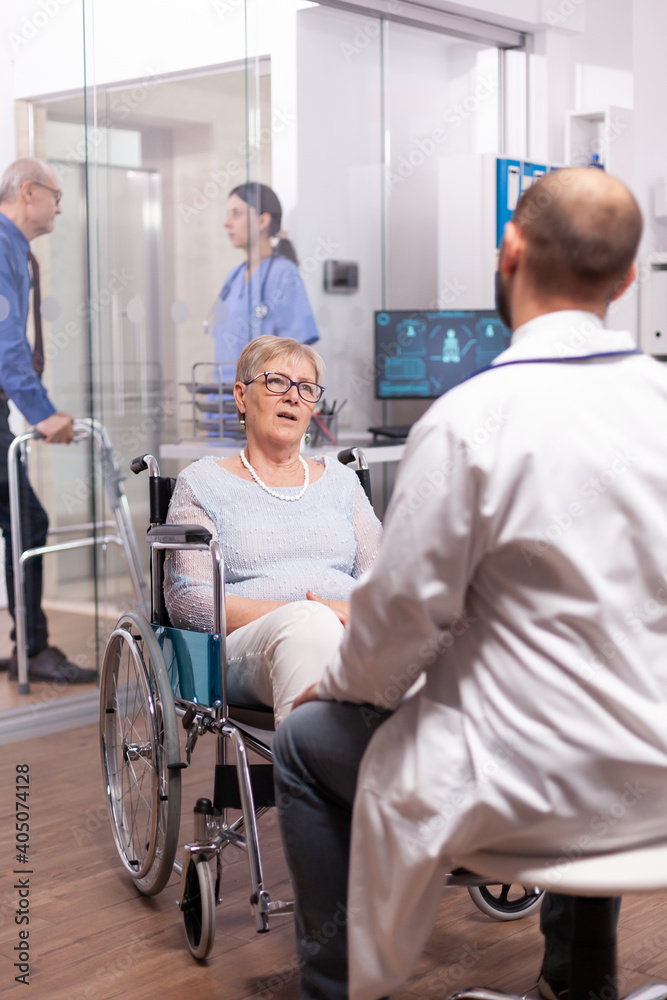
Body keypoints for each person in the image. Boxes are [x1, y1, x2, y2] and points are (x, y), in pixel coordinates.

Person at [272, 166, 667, 1000]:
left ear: (509, 250)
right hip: (653, 781)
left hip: (517, 792)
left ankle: (334, 993)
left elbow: (397, 632)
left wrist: (333, 687)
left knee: (305, 745)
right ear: (628, 278)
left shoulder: (467, 420)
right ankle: (577, 980)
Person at [164, 335, 381, 724]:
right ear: (241, 395)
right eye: (277, 382)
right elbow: (189, 601)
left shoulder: (342, 483)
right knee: (310, 628)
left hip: (353, 635)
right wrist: (307, 612)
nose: (294, 396)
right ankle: (307, 778)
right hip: (247, 649)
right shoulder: (202, 482)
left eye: (306, 388)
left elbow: (385, 582)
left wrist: (353, 614)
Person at [0, 157, 96, 684]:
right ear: (30, 192)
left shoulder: (14, 249)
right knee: (28, 521)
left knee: (22, 520)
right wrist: (42, 414)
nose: (60, 207)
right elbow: (5, 341)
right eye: (56, 196)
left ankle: (29, 648)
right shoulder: (2, 246)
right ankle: (32, 650)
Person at [211, 182, 319, 385]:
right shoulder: (234, 276)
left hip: (257, 400)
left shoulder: (283, 273)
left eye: (236, 214)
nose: (227, 223)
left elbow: (296, 352)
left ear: (262, 220)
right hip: (219, 400)